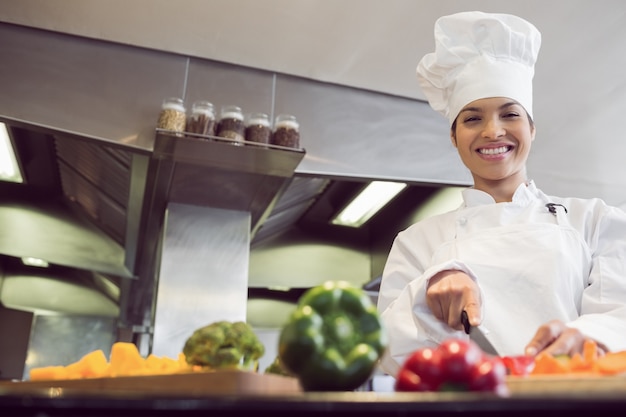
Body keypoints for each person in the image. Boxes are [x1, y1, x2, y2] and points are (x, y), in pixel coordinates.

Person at [376, 10, 626, 377]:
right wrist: (427, 292)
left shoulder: (595, 220)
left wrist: (581, 336)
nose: (493, 132)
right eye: (473, 118)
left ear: (532, 128)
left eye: (510, 115)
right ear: (453, 135)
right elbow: (388, 357)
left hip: (575, 399)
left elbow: (620, 313)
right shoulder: (417, 243)